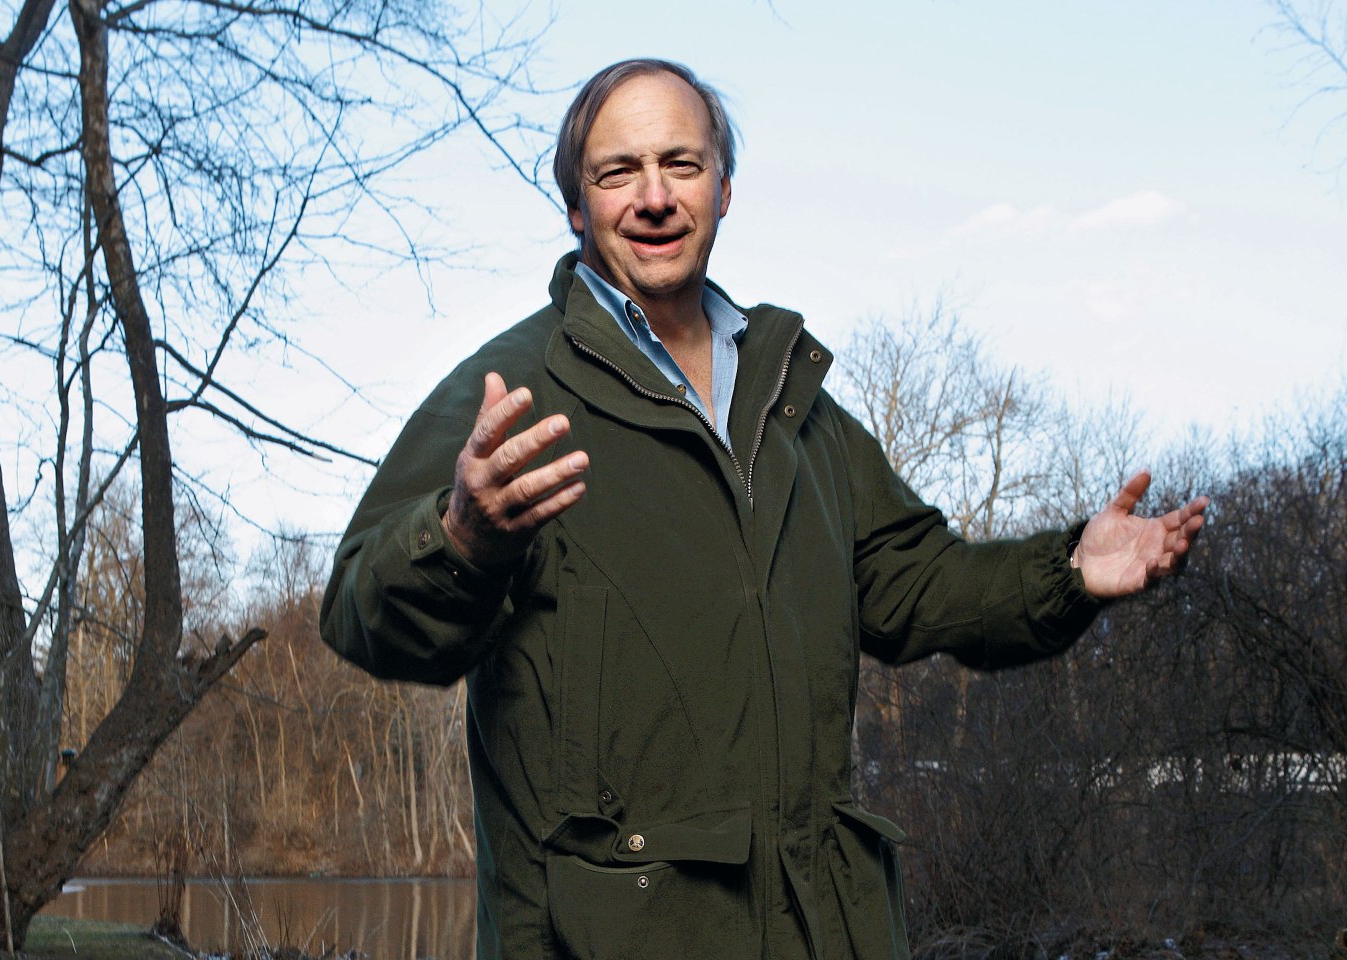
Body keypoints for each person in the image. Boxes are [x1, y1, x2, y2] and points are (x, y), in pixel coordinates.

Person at [320, 58, 1208, 960]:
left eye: (683, 163)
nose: (655, 196)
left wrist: (1069, 571)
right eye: (618, 171)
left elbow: (919, 585)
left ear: (725, 187)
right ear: (575, 205)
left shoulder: (794, 403)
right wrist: (460, 539)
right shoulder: (512, 392)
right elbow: (360, 612)